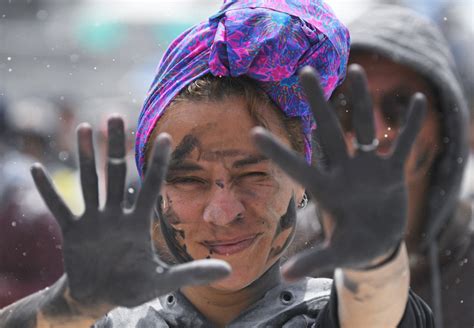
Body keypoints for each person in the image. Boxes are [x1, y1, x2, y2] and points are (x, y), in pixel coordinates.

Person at [0, 1, 433, 327]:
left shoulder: (338, 314)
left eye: (254, 175)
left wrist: (375, 270)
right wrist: (65, 308)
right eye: (188, 180)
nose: (223, 211)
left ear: (303, 184)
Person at [325, 5, 472, 328]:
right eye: (349, 107)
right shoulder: (284, 255)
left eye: (402, 107)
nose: (374, 132)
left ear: (446, 123)